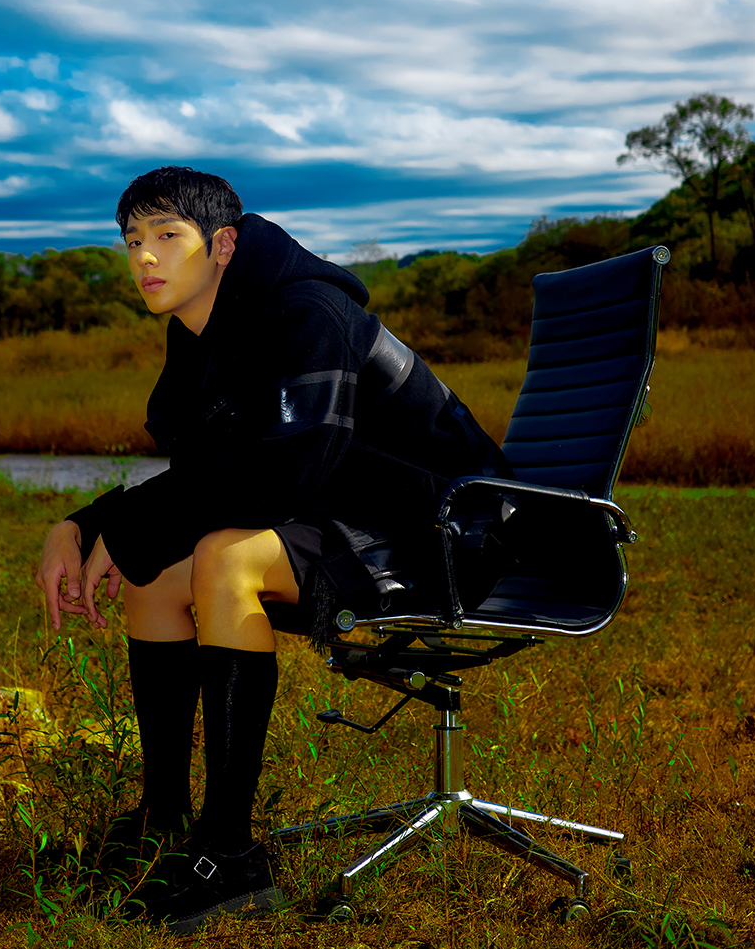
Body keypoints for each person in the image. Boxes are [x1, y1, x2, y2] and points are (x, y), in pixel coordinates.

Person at [34, 165, 513, 933]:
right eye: (132, 240)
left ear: (223, 244)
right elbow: (208, 473)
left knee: (226, 554)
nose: (145, 256)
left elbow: (283, 476)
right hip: (353, 514)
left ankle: (229, 855)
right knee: (156, 574)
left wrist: (120, 528)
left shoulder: (306, 312)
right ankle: (165, 821)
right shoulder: (203, 331)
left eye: (167, 235)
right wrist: (88, 526)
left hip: (449, 531)